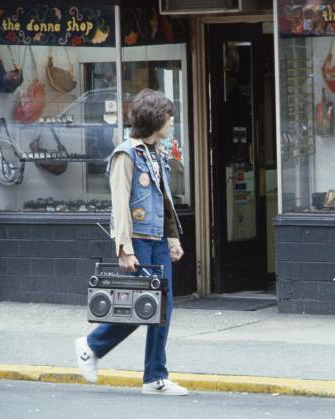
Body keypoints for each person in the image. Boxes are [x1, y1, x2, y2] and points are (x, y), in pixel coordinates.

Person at [74, 89, 188, 396]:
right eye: (168, 114)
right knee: (145, 308)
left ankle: (154, 377)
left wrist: (173, 237)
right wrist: (123, 249)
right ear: (154, 118)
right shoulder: (126, 154)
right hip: (137, 241)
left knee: (161, 308)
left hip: (158, 241)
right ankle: (91, 345)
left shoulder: (156, 153)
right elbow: (120, 205)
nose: (171, 119)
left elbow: (164, 200)